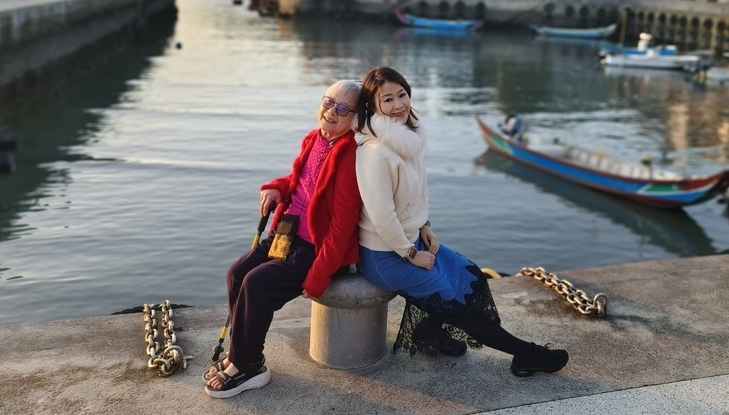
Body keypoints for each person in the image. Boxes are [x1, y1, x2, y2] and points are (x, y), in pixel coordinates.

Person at [355, 66, 569, 377]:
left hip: (410, 240)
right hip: (384, 255)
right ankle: (527, 354)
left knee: (471, 276)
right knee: (458, 305)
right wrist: (412, 254)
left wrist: (425, 228)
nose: (399, 104)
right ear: (372, 107)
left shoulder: (407, 141)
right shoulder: (375, 152)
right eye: (387, 100)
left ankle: (429, 331)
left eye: (402, 94)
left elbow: (419, 192)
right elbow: (381, 215)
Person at [204, 80, 363, 398]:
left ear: (355, 119)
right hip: (285, 233)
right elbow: (301, 182)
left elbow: (342, 226)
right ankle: (241, 355)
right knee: (238, 273)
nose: (331, 111)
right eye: (328, 102)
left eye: (342, 108)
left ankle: (247, 366)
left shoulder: (350, 157)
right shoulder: (315, 139)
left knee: (258, 284)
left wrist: (320, 275)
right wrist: (278, 186)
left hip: (315, 250)